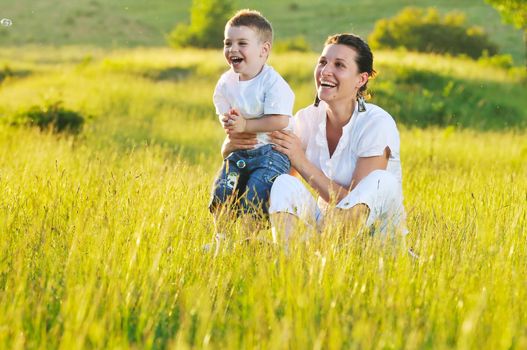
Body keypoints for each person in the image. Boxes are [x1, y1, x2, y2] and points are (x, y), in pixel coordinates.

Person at [223, 33, 407, 245]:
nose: (326, 71)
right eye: (322, 62)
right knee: (283, 183)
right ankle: (287, 257)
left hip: (376, 240)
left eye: (339, 65)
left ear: (361, 79)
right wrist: (230, 148)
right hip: (328, 229)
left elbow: (355, 206)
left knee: (380, 181)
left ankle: (320, 248)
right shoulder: (305, 120)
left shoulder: (376, 123)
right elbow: (273, 182)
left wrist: (301, 161)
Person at [209, 10, 295, 248]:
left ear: (263, 50)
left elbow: (279, 119)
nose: (232, 49)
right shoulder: (226, 83)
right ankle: (222, 240)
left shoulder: (272, 82)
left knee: (255, 194)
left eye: (242, 43)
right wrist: (230, 123)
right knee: (222, 189)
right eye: (228, 43)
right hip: (241, 153)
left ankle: (249, 241)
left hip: (271, 154)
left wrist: (246, 125)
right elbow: (224, 114)